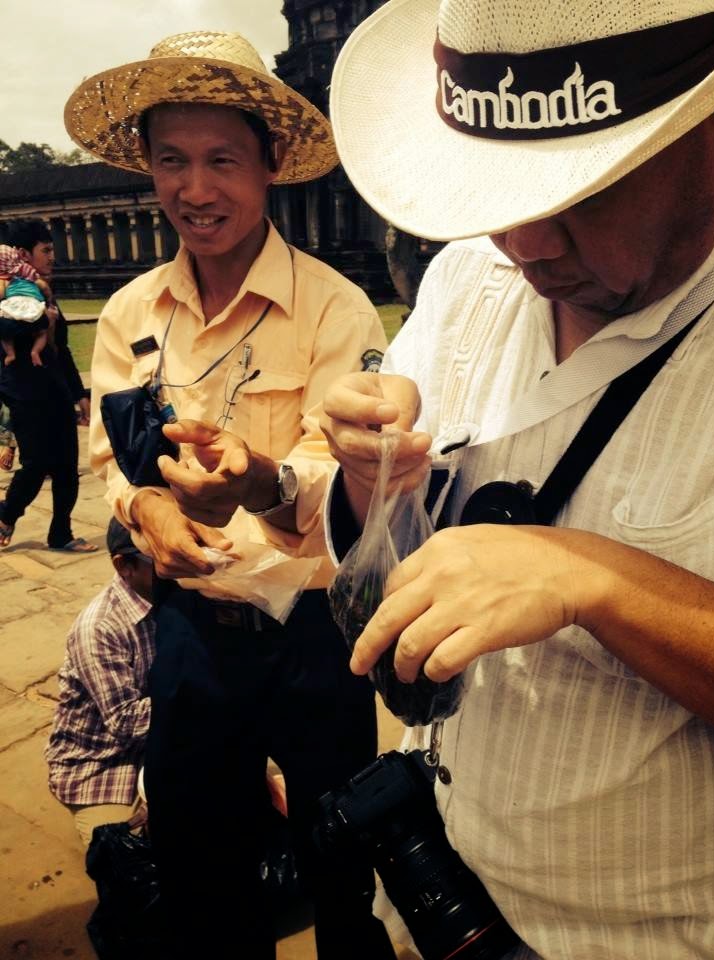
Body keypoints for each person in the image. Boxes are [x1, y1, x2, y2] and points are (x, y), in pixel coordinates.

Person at [319, 1, 714, 958]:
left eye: (589, 187)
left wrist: (596, 579)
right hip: (436, 892)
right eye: (497, 188)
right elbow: (399, 547)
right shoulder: (469, 280)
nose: (527, 244)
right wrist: (375, 476)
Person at [63, 31, 395, 960]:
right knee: (200, 868)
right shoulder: (131, 312)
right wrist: (152, 513)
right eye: (172, 160)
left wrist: (257, 479)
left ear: (270, 164)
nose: (195, 189)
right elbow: (113, 461)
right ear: (148, 166)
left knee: (344, 864)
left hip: (316, 634)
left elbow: (343, 481)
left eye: (222, 160)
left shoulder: (334, 308)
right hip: (193, 627)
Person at [46, 518, 155, 846]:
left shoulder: (172, 596)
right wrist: (201, 695)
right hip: (99, 763)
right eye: (159, 559)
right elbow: (125, 721)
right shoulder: (100, 628)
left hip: (157, 742)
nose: (175, 566)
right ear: (124, 566)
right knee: (127, 854)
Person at [0, 220, 95, 551]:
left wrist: (79, 394)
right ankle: (6, 514)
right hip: (23, 391)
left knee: (67, 465)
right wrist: (42, 315)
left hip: (55, 389)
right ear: (24, 254)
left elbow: (62, 350)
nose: (52, 257)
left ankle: (61, 534)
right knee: (37, 463)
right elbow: (7, 327)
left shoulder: (44, 292)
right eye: (46, 250)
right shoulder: (7, 289)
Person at [0, 244, 51, 367]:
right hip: (35, 311)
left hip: (12, 312)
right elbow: (44, 287)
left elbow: (1, 293)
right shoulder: (30, 274)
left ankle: (10, 354)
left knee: (5, 334)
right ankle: (35, 351)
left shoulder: (5, 280)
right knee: (42, 332)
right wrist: (49, 301)